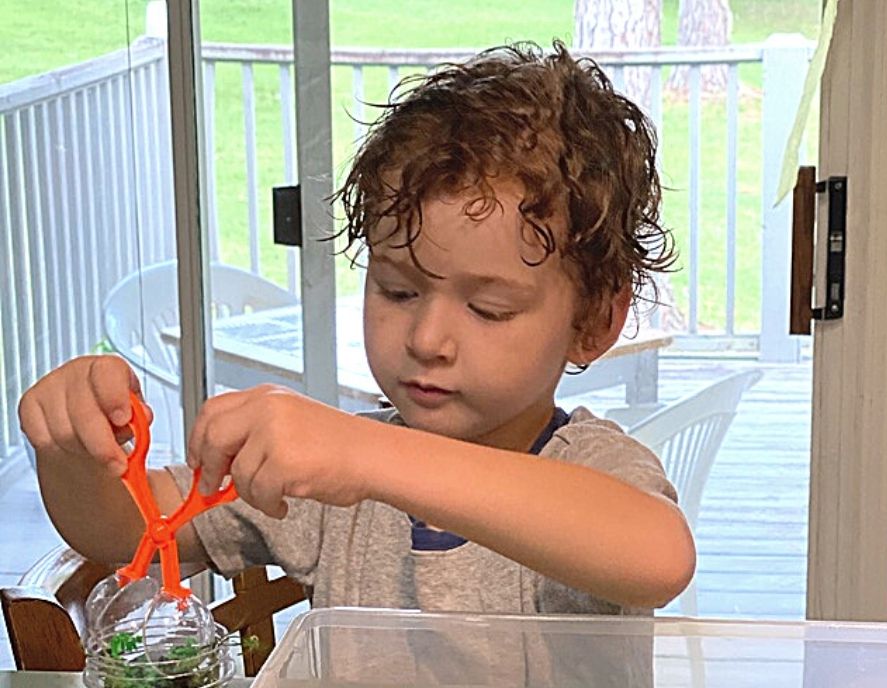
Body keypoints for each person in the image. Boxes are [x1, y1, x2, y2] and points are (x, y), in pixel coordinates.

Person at [18, 42, 695, 619]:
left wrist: (369, 456)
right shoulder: (325, 485)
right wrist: (71, 446)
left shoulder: (589, 466)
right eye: (397, 289)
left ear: (593, 322)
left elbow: (657, 557)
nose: (428, 338)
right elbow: (122, 528)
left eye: (488, 309)